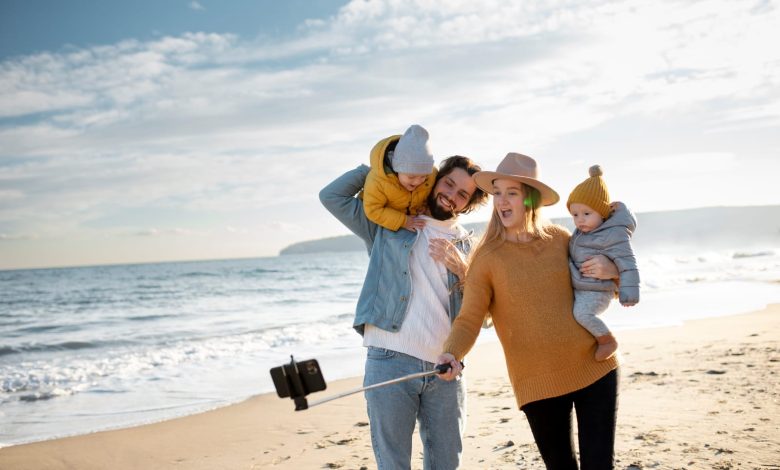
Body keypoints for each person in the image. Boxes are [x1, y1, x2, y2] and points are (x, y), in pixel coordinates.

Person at [437, 153, 621, 469]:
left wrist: (610, 268)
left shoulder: (562, 239)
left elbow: (604, 282)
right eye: (497, 192)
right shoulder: (486, 257)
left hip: (594, 367)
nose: (502, 201)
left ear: (530, 199)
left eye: (512, 193)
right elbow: (469, 318)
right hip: (537, 383)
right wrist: (451, 353)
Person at [320, 143, 489, 469]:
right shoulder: (389, 223)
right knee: (394, 464)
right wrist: (392, 169)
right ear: (434, 179)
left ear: (468, 205)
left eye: (463, 194)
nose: (452, 195)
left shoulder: (469, 246)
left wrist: (463, 269)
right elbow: (332, 197)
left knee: (446, 463)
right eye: (448, 183)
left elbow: (482, 316)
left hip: (446, 369)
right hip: (390, 359)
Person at [567, 164, 640, 361]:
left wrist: (628, 295)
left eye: (586, 214)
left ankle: (607, 340)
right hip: (584, 286)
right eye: (575, 215)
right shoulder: (583, 232)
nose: (580, 220)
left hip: (599, 290)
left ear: (602, 212)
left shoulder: (613, 234)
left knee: (582, 314)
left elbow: (628, 263)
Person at [363, 124, 438, 232]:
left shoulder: (432, 175)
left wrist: (424, 206)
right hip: (382, 223)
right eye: (411, 176)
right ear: (396, 168)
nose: (417, 182)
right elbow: (373, 210)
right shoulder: (378, 181)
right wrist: (404, 221)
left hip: (415, 222)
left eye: (424, 177)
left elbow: (430, 194)